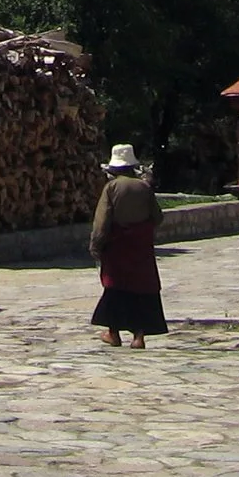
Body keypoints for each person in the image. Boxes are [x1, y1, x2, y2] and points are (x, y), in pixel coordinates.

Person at [88, 143, 166, 347]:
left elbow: (102, 220)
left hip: (117, 246)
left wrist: (96, 245)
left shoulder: (111, 188)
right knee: (142, 288)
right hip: (140, 247)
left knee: (116, 288)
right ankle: (139, 336)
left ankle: (113, 333)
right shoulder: (145, 187)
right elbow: (157, 217)